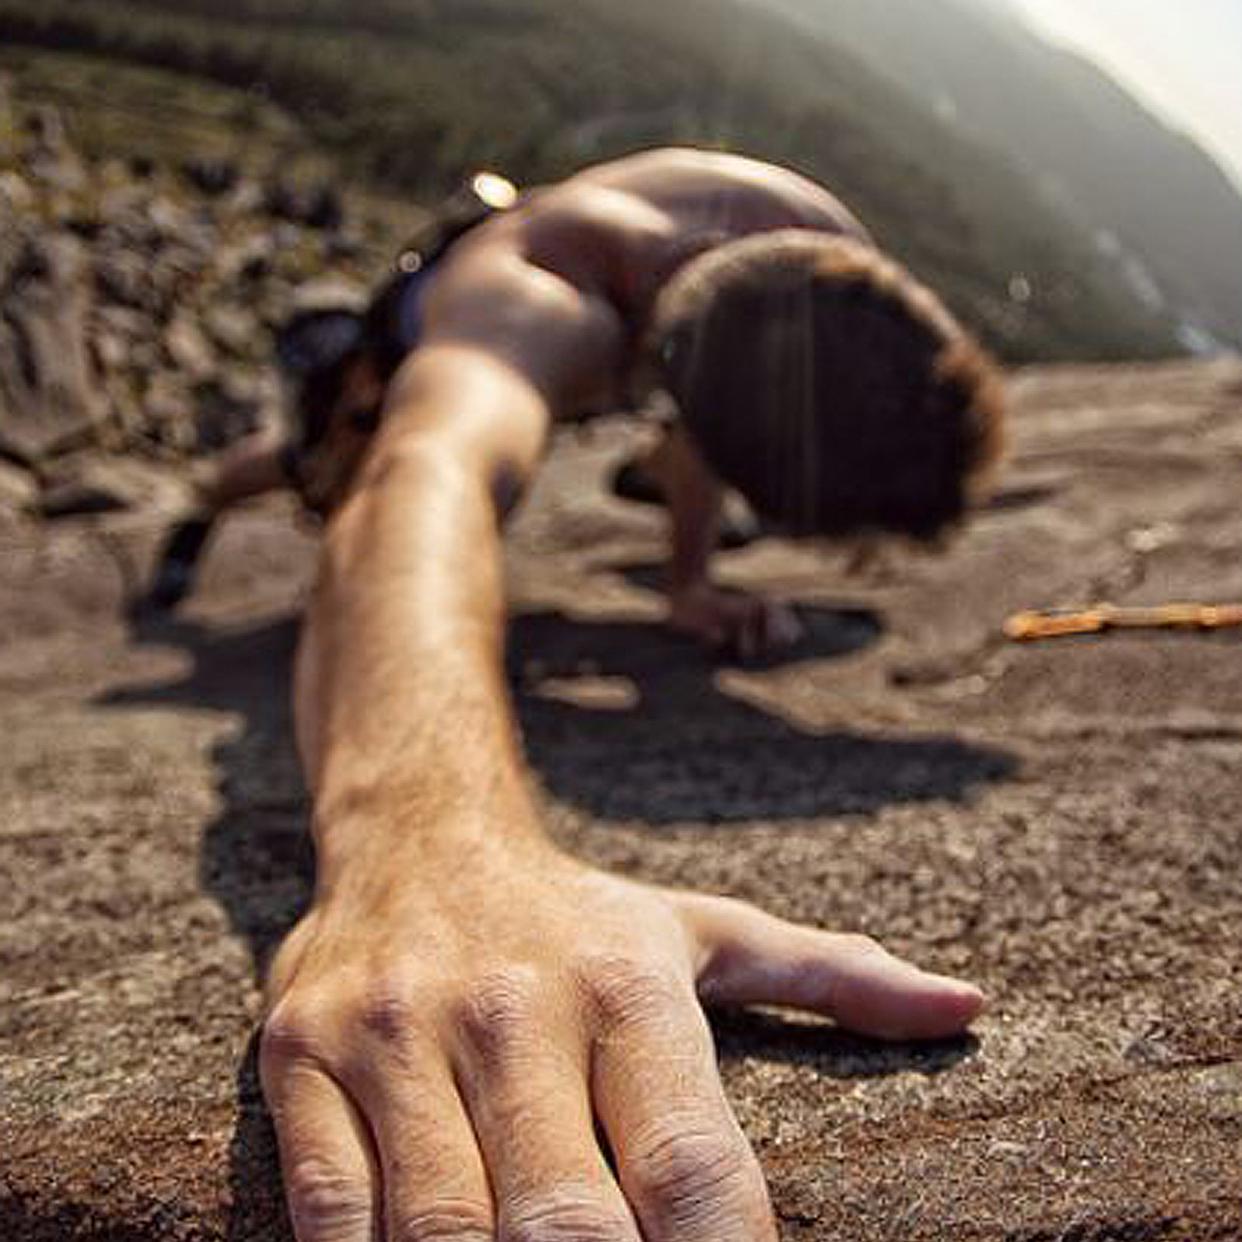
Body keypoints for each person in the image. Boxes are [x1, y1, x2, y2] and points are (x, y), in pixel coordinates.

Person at [234, 147, 1005, 1242]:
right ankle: (197, 511)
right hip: (422, 333)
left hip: (652, 328)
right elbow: (426, 484)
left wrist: (691, 580)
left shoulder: (811, 258)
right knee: (322, 471)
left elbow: (719, 398)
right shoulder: (535, 304)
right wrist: (434, 858)